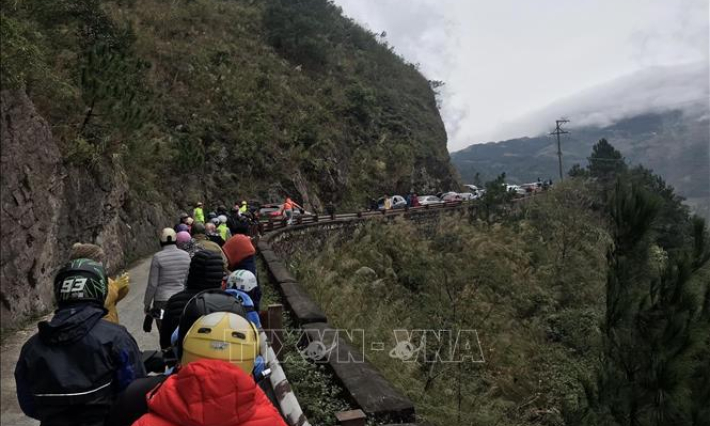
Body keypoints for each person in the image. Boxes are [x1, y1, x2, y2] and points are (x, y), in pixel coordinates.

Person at [15, 259, 145, 425]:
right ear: (100, 290)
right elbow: (133, 391)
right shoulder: (116, 337)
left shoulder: (31, 348)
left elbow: (28, 404)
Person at [159, 251, 224, 349]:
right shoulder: (230, 302)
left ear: (192, 271)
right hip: (221, 359)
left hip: (184, 359)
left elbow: (165, 341)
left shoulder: (175, 301)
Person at [69, 242, 130, 324]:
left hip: (112, 324)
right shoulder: (79, 282)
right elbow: (97, 305)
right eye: (98, 260)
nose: (100, 263)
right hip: (98, 326)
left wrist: (123, 287)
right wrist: (116, 286)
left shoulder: (101, 276)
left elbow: (113, 300)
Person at [144, 228, 191, 329]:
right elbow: (188, 280)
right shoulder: (186, 255)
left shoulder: (157, 257)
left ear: (161, 240)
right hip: (181, 299)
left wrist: (147, 304)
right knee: (180, 329)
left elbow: (152, 284)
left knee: (163, 330)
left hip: (161, 301)